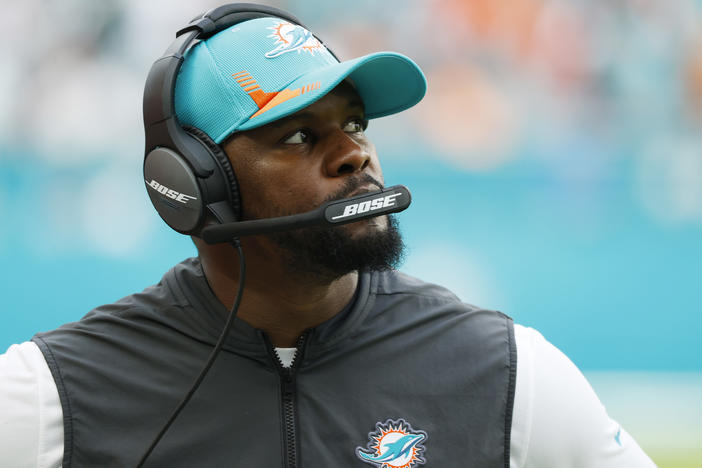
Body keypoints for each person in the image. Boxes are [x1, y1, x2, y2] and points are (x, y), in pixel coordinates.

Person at [0, 4, 657, 468]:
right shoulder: (51, 395)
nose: (354, 155)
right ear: (198, 184)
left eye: (356, 124)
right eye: (298, 135)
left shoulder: (509, 374)